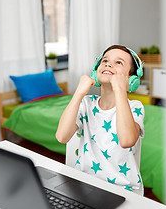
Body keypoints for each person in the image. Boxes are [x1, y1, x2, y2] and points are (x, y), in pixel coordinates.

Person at [56, 45, 145, 195]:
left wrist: (120, 89)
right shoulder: (86, 103)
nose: (108, 64)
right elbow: (61, 136)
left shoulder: (135, 107)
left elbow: (127, 140)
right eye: (104, 61)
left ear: (132, 79)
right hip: (84, 183)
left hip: (123, 191)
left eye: (119, 62)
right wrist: (79, 92)